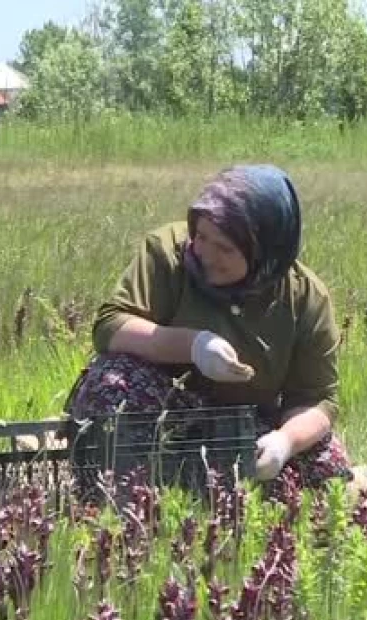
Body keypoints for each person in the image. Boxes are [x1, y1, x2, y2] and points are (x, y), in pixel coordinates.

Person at [65, 164, 352, 495]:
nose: (206, 255)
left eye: (226, 249)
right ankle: (120, 506)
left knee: (328, 465)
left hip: (241, 427)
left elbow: (318, 400)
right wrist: (193, 345)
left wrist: (285, 442)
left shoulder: (304, 297)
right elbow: (111, 326)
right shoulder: (166, 254)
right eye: (201, 237)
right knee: (113, 382)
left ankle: (235, 507)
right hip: (159, 414)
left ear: (264, 254)